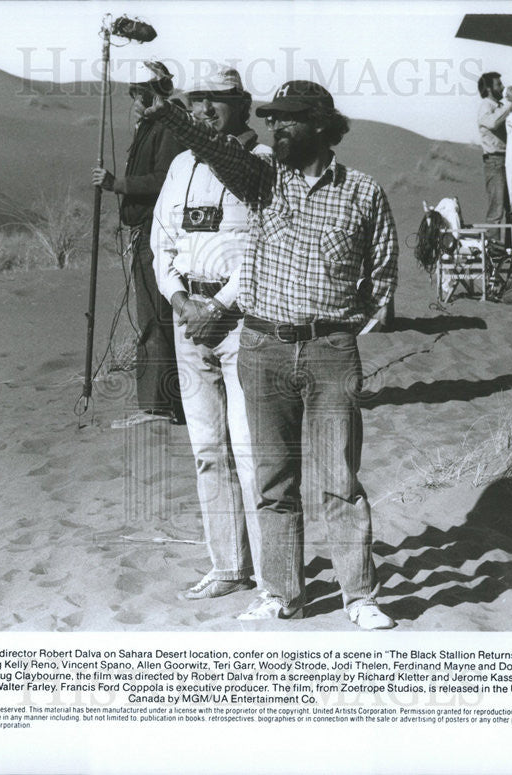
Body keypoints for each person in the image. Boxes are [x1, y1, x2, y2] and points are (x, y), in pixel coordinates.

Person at [145, 80, 399, 629]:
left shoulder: (363, 191)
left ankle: (359, 596)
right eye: (272, 118)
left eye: (289, 119)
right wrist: (169, 113)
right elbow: (214, 147)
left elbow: (382, 277)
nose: (277, 127)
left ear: (322, 125)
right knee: (274, 482)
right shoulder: (262, 180)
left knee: (340, 480)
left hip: (331, 351)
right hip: (261, 348)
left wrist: (341, 325)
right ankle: (283, 593)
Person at [150, 65, 271, 599]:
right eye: (198, 101)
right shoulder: (180, 165)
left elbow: (263, 249)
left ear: (242, 104)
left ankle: (273, 575)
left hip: (240, 321)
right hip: (187, 317)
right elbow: (162, 243)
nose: (206, 110)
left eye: (218, 100)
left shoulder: (262, 165)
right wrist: (179, 298)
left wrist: (219, 304)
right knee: (207, 449)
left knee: (250, 450)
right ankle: (227, 565)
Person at [92, 61, 186, 428]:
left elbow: (165, 179)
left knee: (155, 318)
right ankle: (166, 402)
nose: (134, 99)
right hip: (146, 230)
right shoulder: (152, 126)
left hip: (158, 231)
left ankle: (159, 405)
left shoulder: (167, 125)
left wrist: (117, 184)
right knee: (155, 316)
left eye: (141, 92)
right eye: (133, 92)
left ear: (157, 92)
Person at [476, 72, 512, 230]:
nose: (502, 87)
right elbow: (492, 123)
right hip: (495, 161)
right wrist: (509, 104)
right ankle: (493, 250)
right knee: (496, 210)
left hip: (507, 160)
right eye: (498, 84)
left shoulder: (500, 107)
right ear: (489, 88)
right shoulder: (486, 106)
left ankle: (509, 249)